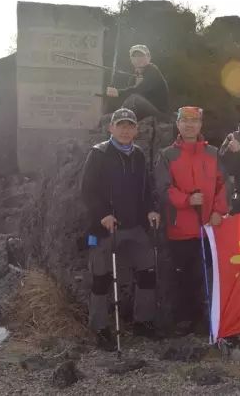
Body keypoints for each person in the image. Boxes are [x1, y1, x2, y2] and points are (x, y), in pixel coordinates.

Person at [81, 108, 161, 349]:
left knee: (148, 271)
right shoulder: (98, 153)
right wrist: (103, 214)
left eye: (130, 126)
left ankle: (143, 322)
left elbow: (146, 190)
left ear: (136, 130)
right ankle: (100, 328)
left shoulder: (138, 155)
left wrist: (151, 210)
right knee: (101, 278)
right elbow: (88, 191)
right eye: (121, 125)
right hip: (105, 228)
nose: (125, 130)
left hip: (135, 226)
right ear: (111, 128)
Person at [155, 106, 228, 335]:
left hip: (209, 227)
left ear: (200, 125)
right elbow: (163, 189)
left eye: (194, 121)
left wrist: (219, 210)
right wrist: (187, 200)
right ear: (178, 124)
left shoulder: (213, 153)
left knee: (207, 274)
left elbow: (224, 184)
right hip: (180, 228)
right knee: (183, 276)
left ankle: (207, 320)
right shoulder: (167, 155)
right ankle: (183, 321)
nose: (189, 125)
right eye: (185, 121)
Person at [106, 44, 170, 121]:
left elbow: (139, 90)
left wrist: (118, 92)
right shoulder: (133, 77)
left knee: (134, 99)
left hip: (159, 113)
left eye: (141, 56)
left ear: (149, 57)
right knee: (106, 118)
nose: (138, 59)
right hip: (141, 112)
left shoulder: (153, 71)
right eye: (135, 56)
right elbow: (128, 97)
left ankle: (120, 117)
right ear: (131, 59)